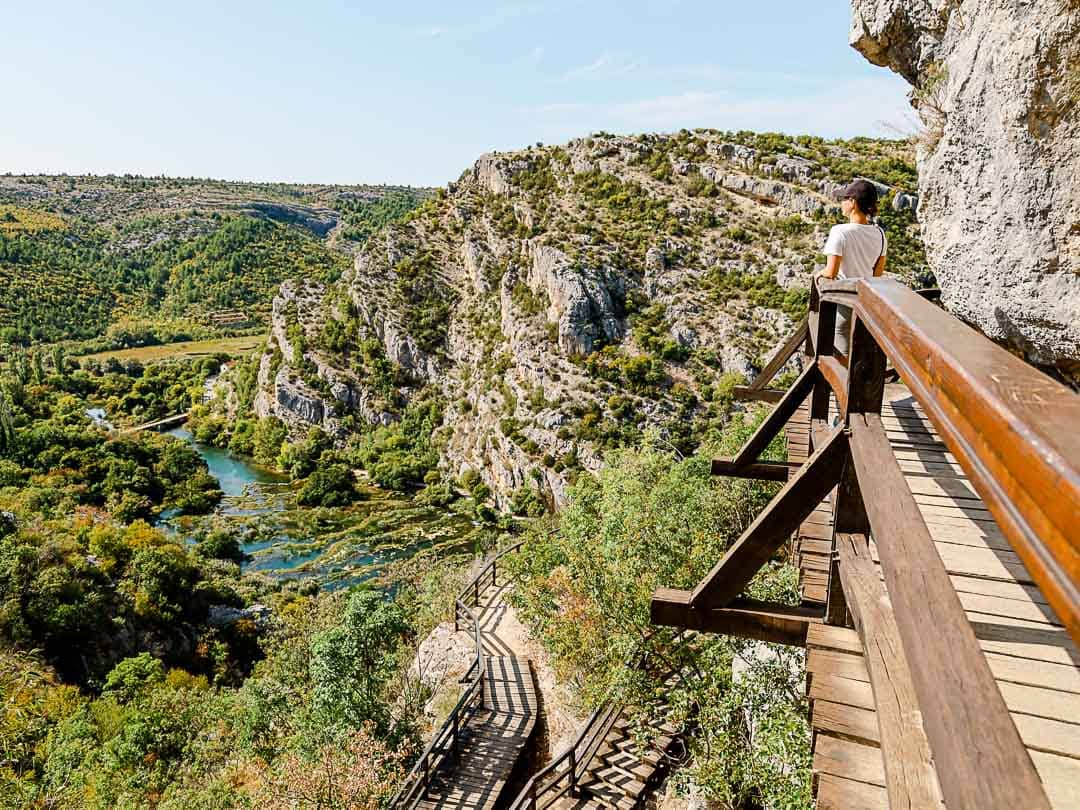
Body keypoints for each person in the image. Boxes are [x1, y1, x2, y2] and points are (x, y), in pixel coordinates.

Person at [816, 179, 888, 356]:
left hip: (844, 301)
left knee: (841, 349)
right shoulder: (880, 234)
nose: (841, 203)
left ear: (853, 202)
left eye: (844, 199)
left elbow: (831, 272)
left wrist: (818, 275)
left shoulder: (840, 232)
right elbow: (877, 275)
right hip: (866, 303)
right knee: (860, 351)